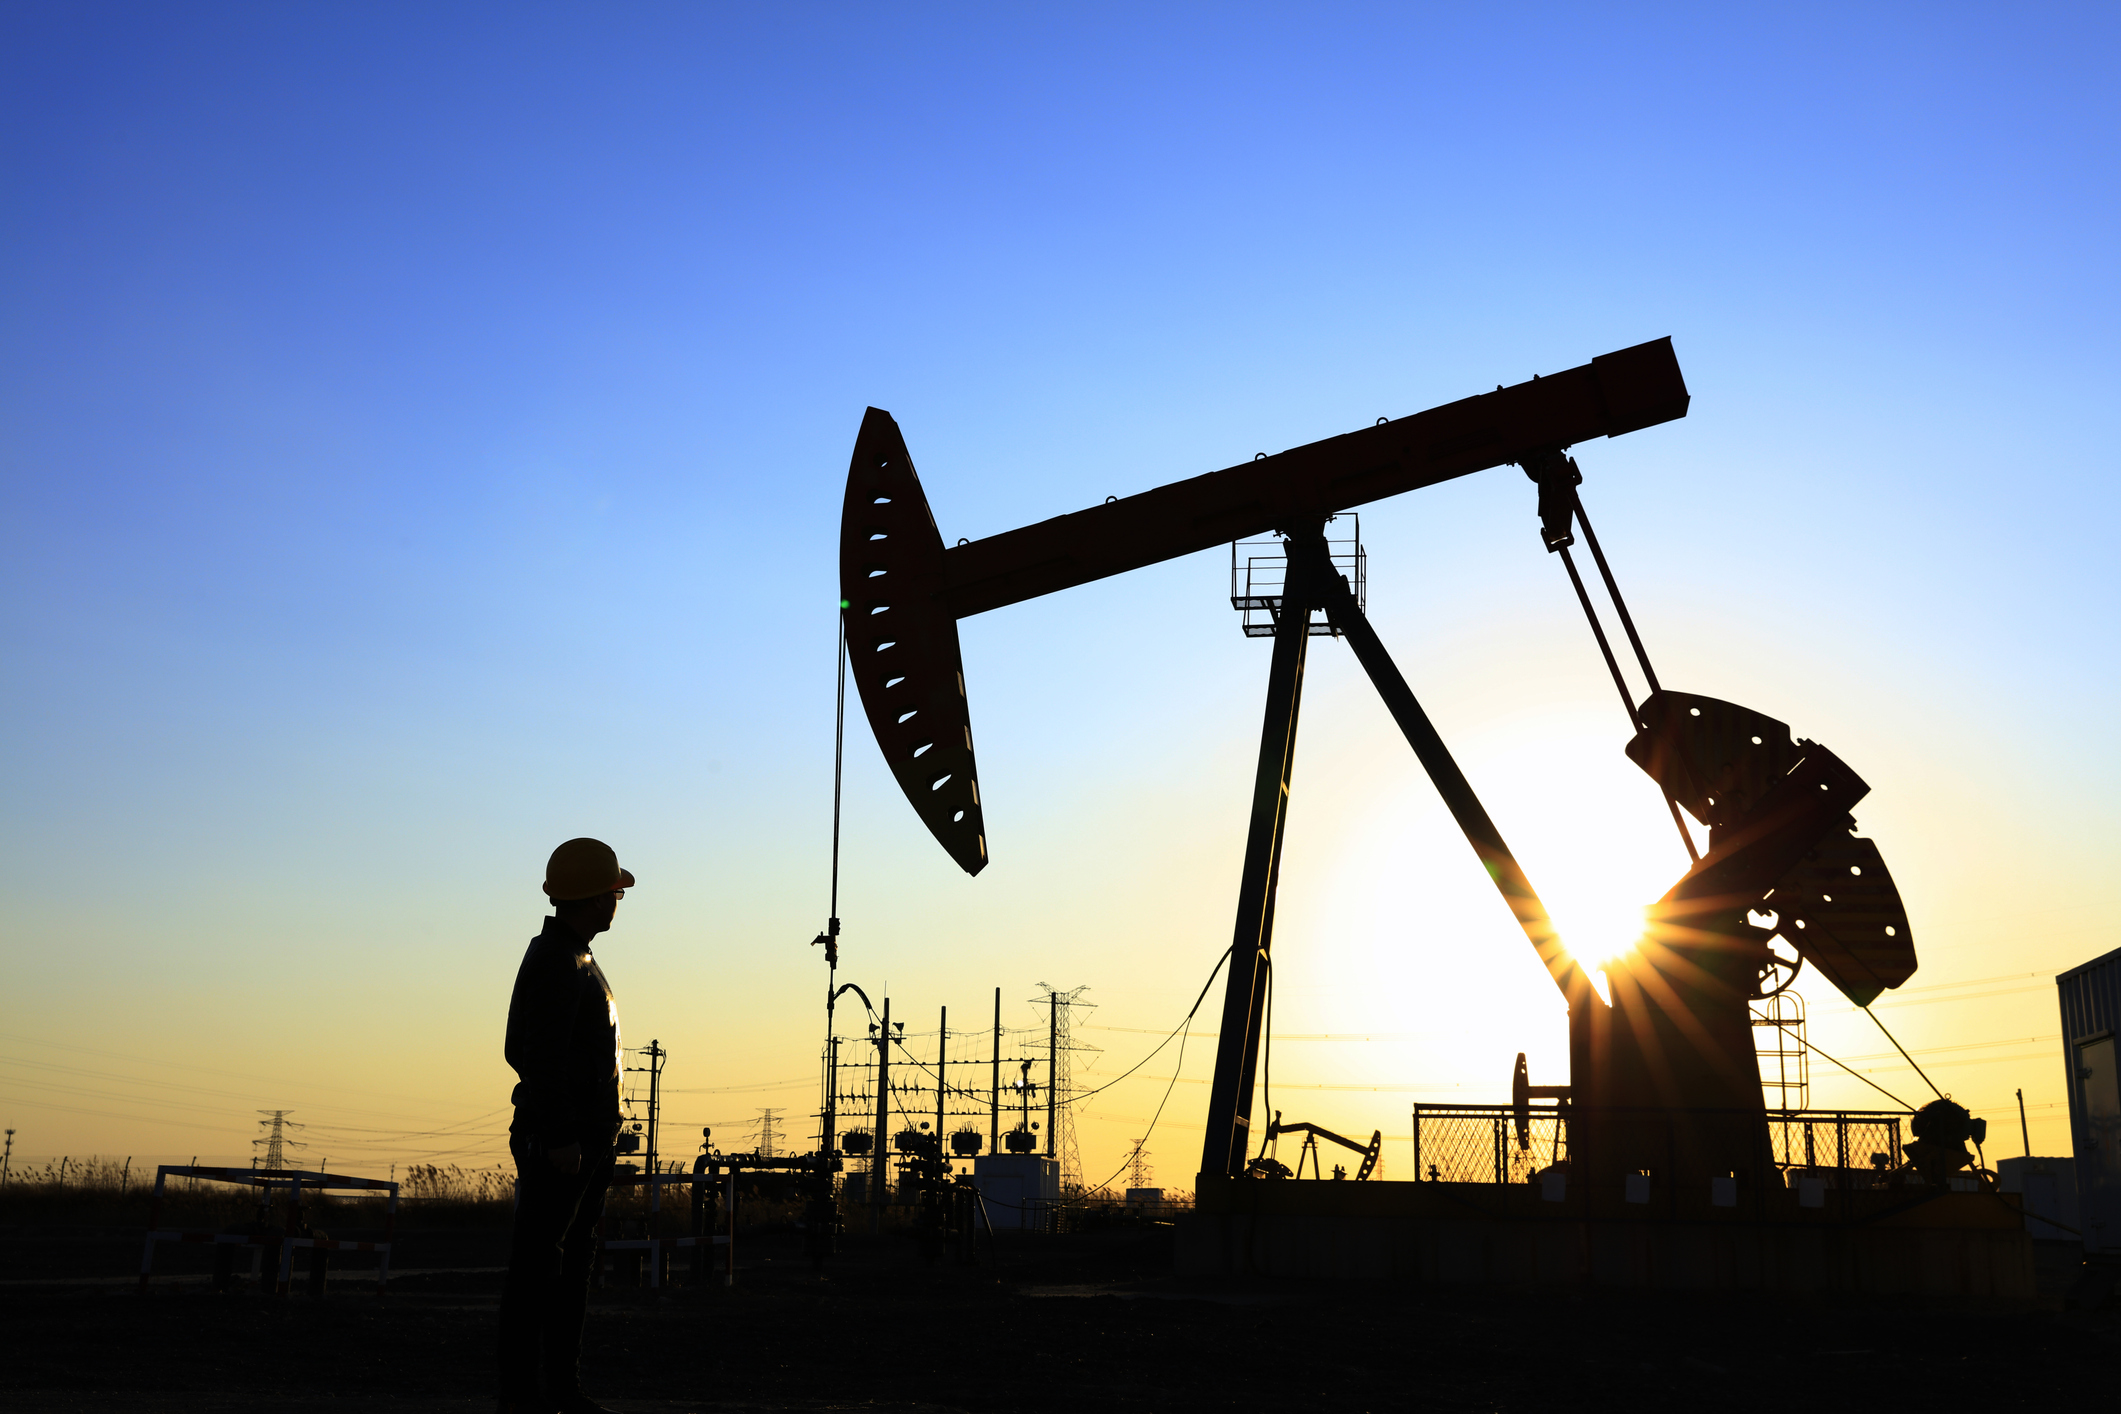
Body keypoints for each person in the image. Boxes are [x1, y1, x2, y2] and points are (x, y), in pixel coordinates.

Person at [495, 837, 634, 1414]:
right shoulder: (558, 962)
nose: (618, 901)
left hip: (583, 1141)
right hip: (565, 1142)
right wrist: (559, 1135)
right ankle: (526, 1398)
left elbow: (529, 1049)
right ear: (595, 897)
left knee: (569, 1266)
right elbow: (536, 1055)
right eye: (613, 891)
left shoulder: (571, 956)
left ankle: (559, 1391)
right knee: (540, 1268)